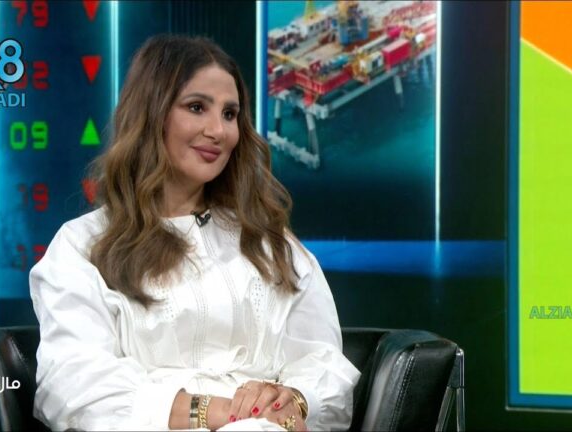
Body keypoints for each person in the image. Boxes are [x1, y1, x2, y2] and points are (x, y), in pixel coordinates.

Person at [29, 34, 360, 431]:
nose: (218, 130)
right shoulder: (83, 245)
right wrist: (219, 412)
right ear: (151, 114)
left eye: (230, 114)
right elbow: (74, 385)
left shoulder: (270, 243)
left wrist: (294, 400)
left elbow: (324, 366)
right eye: (197, 107)